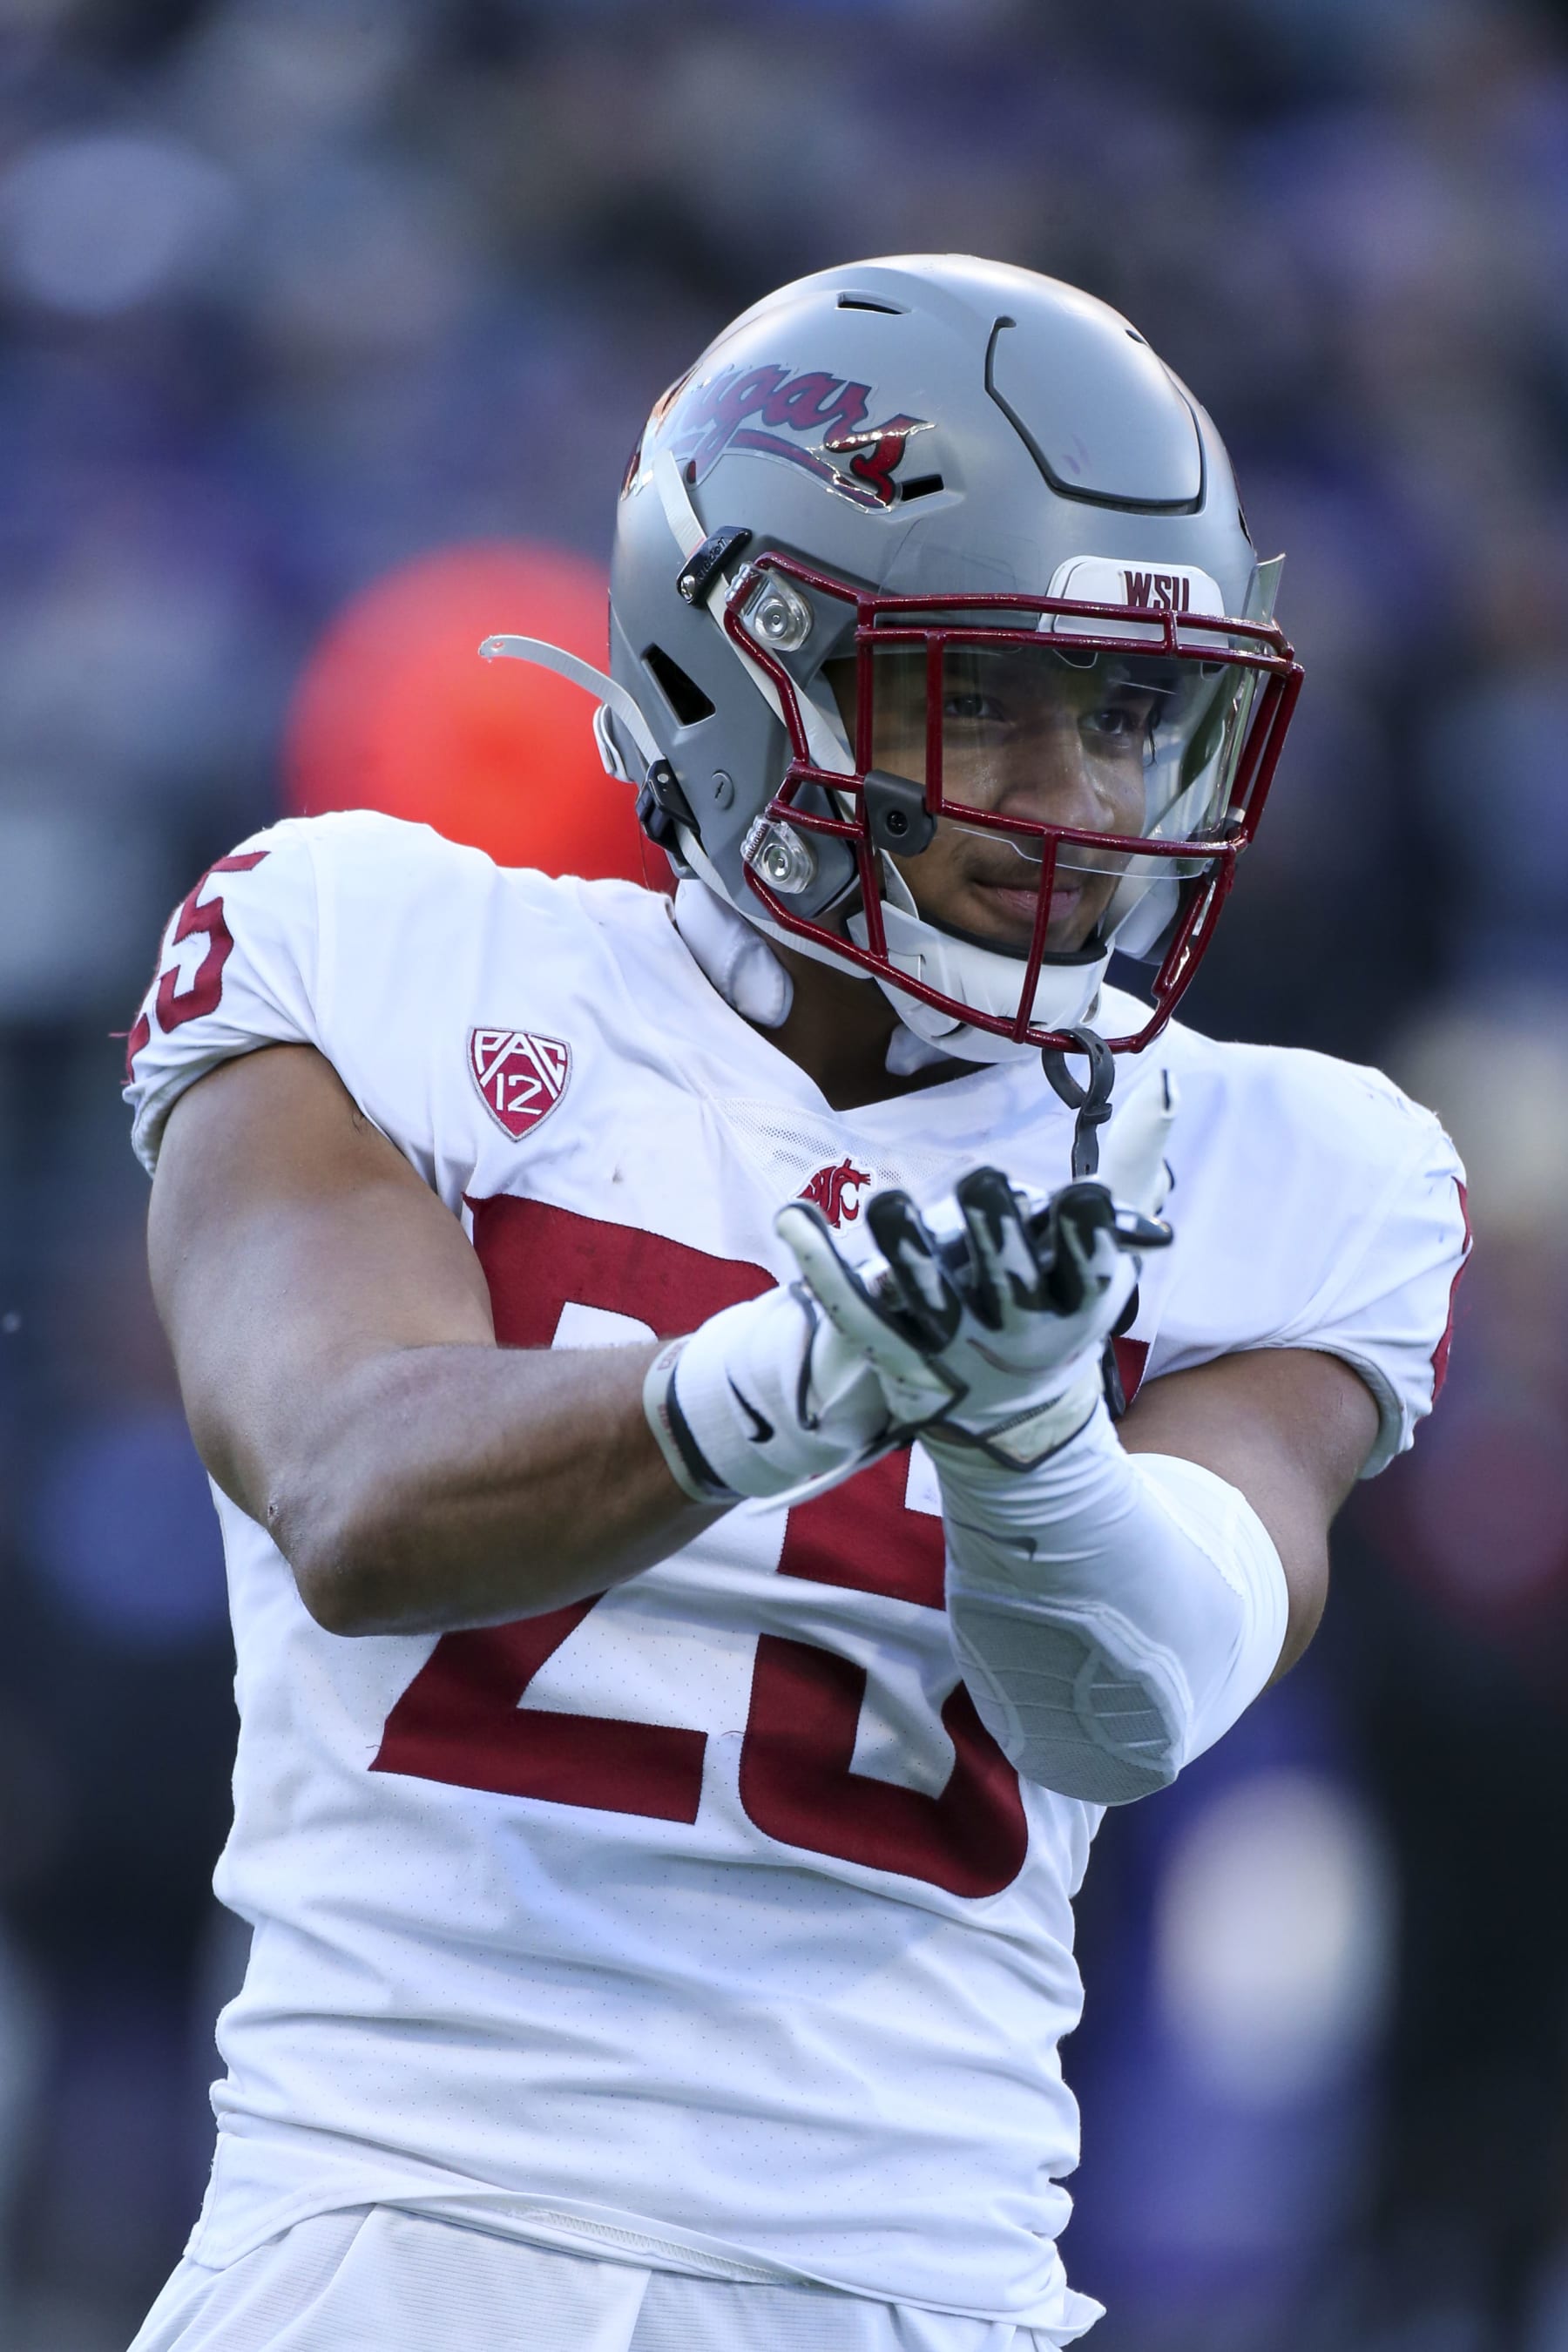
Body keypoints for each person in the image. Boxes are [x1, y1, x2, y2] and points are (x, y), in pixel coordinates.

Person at [122, 256, 1468, 2352]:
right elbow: (354, 1492)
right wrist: (824, 1367)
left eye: (1129, 709)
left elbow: (1132, 1700)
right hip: (400, 2235)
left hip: (905, 2283)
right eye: (988, 696)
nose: (1082, 799)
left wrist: (1024, 1434)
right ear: (742, 668)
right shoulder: (378, 949)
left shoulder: (1293, 1155)